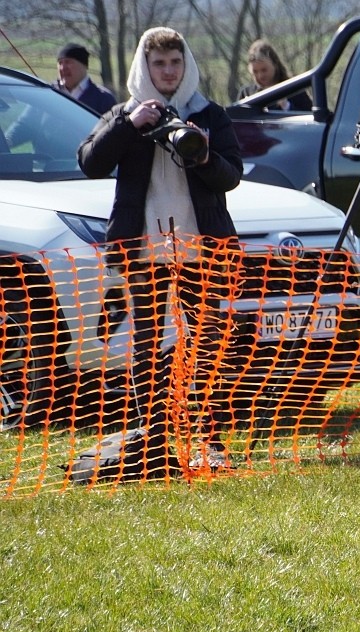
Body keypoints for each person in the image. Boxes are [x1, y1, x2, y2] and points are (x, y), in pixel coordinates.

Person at [77, 26, 244, 473]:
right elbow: (91, 162)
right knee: (148, 343)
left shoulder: (209, 113)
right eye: (159, 63)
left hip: (201, 247)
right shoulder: (124, 114)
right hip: (143, 248)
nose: (168, 71)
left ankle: (210, 438)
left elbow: (232, 176)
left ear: (186, 64)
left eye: (175, 62)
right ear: (144, 66)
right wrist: (130, 125)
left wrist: (204, 154)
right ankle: (150, 435)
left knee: (207, 343)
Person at [235, 39, 312, 111]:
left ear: (275, 65)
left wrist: (287, 106)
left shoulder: (294, 89)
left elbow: (310, 117)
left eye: (264, 70)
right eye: (255, 72)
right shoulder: (246, 93)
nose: (260, 76)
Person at [53, 43, 117, 114]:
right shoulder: (50, 93)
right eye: (60, 63)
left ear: (84, 65)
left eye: (68, 62)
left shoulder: (103, 99)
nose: (63, 68)